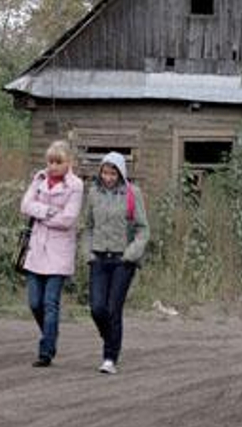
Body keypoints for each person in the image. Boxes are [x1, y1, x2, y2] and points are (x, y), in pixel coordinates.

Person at [82, 151, 149, 374]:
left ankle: (110, 357)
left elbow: (142, 229)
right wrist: (88, 253)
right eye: (105, 172)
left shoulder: (132, 193)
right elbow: (88, 226)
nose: (108, 177)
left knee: (113, 309)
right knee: (97, 308)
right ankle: (111, 336)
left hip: (123, 260)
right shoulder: (93, 193)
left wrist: (131, 253)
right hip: (99, 258)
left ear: (120, 173)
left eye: (113, 173)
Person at [19, 140, 84, 367]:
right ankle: (50, 333)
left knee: (50, 303)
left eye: (59, 162)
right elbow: (25, 205)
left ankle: (46, 351)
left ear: (68, 162)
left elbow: (68, 219)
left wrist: (41, 214)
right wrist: (48, 211)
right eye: (50, 161)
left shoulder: (75, 185)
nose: (53, 166)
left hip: (59, 252)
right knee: (35, 302)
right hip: (36, 249)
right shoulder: (39, 179)